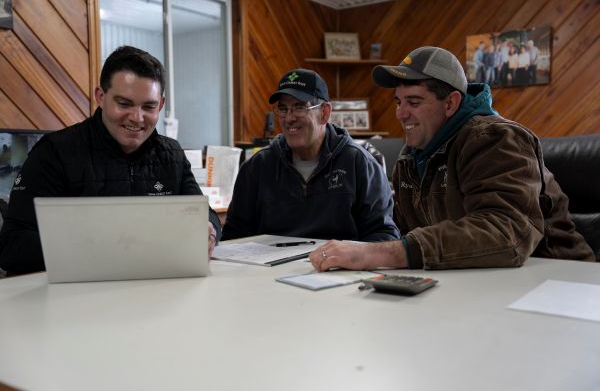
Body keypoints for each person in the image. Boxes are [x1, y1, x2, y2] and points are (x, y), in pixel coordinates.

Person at [309, 46, 594, 271]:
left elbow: (506, 234)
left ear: (451, 103)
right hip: (477, 283)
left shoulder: (496, 139)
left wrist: (380, 254)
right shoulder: (412, 156)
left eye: (414, 102)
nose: (400, 113)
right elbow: (405, 229)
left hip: (556, 282)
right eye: (399, 101)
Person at [0, 46, 221, 276]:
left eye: (149, 106)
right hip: (75, 297)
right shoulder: (55, 152)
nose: (137, 118)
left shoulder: (171, 155)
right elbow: (12, 246)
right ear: (100, 97)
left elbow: (206, 214)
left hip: (155, 293)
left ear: (161, 105)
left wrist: (210, 231)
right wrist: (99, 252)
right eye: (124, 104)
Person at [221, 68, 399, 242]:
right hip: (272, 269)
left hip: (338, 269)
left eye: (299, 107)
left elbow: (383, 234)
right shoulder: (257, 167)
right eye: (283, 109)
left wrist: (351, 258)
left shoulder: (359, 163)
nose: (289, 118)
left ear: (325, 113)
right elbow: (235, 235)